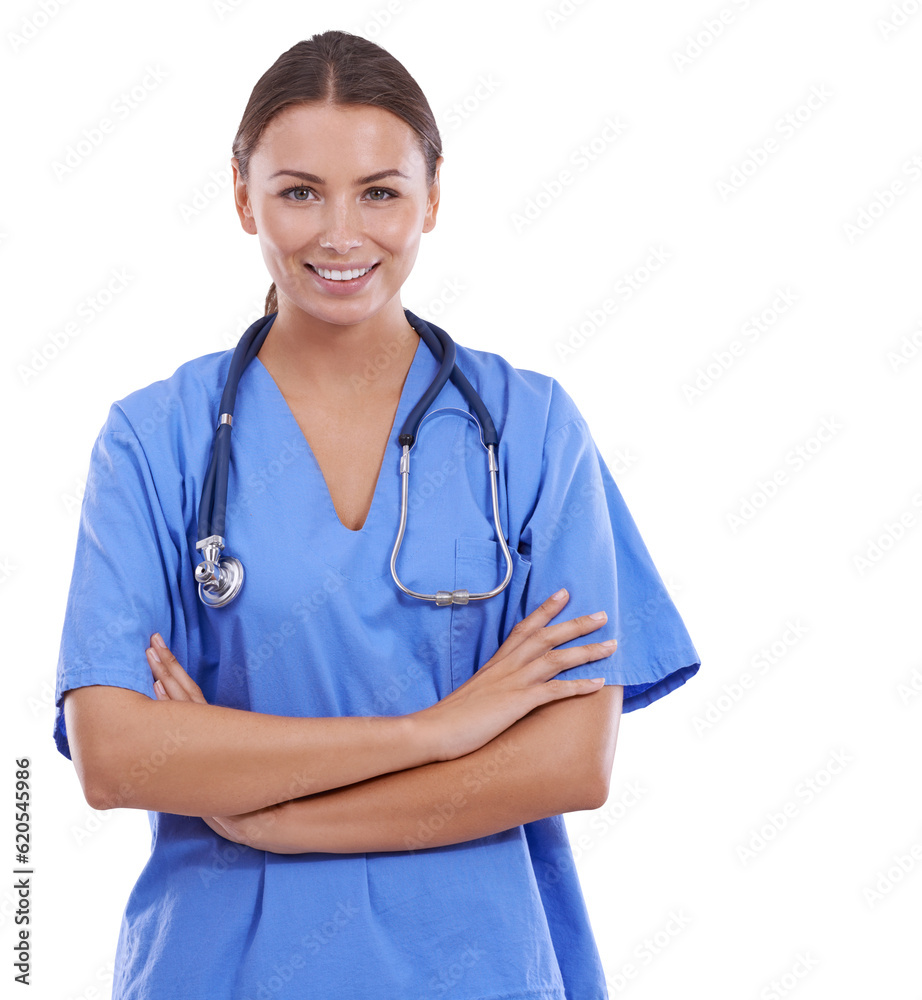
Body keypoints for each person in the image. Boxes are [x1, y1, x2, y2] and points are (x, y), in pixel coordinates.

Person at [53, 29, 701, 1000]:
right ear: (243, 197)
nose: (340, 234)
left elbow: (569, 760)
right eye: (299, 191)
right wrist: (437, 731)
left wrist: (269, 815)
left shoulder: (527, 429)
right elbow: (116, 752)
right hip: (226, 967)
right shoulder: (156, 440)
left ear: (433, 197)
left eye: (381, 192)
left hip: (474, 966)